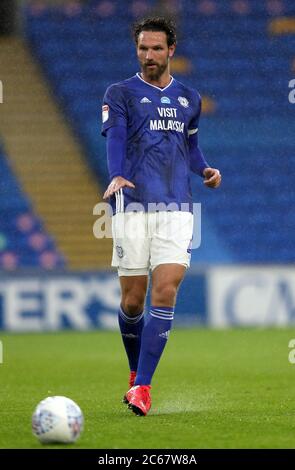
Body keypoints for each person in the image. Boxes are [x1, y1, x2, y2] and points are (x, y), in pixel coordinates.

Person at [101, 17, 221, 416]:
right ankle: (135, 374)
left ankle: (144, 389)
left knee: (165, 288)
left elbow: (191, 146)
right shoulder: (119, 93)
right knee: (133, 301)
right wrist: (116, 172)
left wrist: (204, 169)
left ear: (171, 50)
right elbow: (116, 135)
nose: (148, 55)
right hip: (132, 205)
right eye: (142, 49)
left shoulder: (189, 97)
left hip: (177, 207)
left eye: (156, 48)